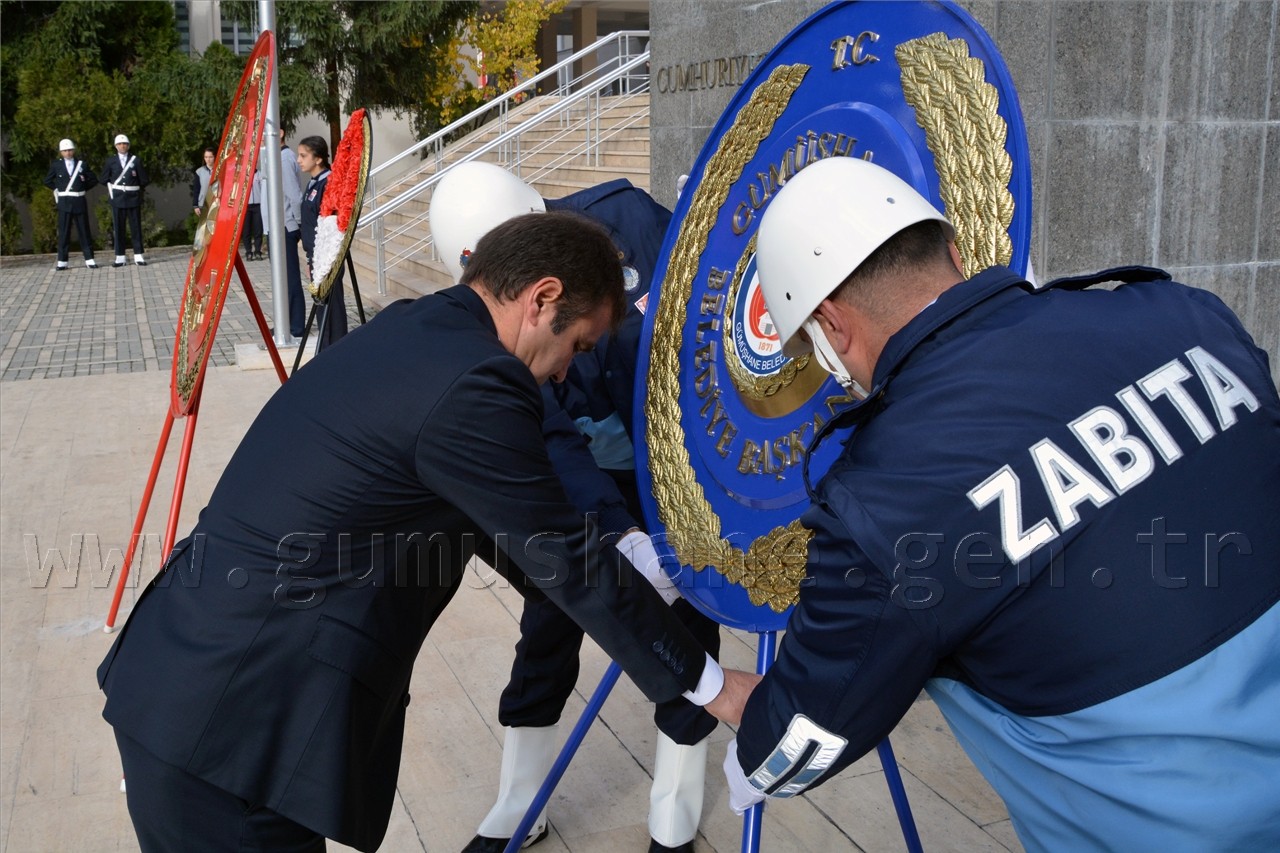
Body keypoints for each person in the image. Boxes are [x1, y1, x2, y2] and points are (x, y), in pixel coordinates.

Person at [98, 210, 757, 853]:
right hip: (234, 726)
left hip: (195, 684)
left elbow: (514, 540)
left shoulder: (417, 331)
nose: (565, 373)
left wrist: (643, 571)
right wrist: (716, 686)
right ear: (541, 298)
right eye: (576, 346)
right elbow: (568, 561)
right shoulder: (479, 383)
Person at [722, 156, 1280, 850]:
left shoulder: (882, 499)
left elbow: (797, 743)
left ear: (831, 327)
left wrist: (743, 724)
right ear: (954, 251)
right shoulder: (1184, 314)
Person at [432, 163, 723, 853]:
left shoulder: (629, 220)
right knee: (549, 620)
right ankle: (519, 804)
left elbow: (697, 330)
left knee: (684, 625)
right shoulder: (494, 318)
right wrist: (615, 535)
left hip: (674, 466)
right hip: (584, 480)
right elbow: (547, 435)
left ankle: (674, 818)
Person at [297, 135, 348, 349]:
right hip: (316, 256)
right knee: (322, 306)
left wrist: (322, 259)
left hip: (326, 256)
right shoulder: (314, 183)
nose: (299, 160)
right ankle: (328, 347)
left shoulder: (328, 183)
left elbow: (330, 225)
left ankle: (335, 349)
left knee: (331, 308)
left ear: (318, 159)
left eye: (303, 155)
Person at [42, 138, 98, 270]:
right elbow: (47, 180)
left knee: (84, 231)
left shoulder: (81, 164)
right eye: (65, 150)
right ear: (61, 152)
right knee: (64, 232)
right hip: (64, 202)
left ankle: (89, 259)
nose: (68, 153)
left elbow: (93, 180)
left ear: (73, 150)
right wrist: (58, 189)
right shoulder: (56, 165)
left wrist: (82, 188)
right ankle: (62, 261)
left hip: (79, 200)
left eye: (70, 150)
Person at [101, 133, 149, 267]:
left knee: (136, 227)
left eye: (125, 144)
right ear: (116, 146)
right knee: (118, 227)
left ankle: (138, 255)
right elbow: (103, 178)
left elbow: (144, 179)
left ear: (128, 145)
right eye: (120, 144)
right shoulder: (111, 161)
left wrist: (135, 189)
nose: (123, 146)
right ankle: (120, 257)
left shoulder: (136, 160)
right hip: (117, 199)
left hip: (133, 198)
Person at [242, 165, 264, 260]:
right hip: (246, 206)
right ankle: (248, 251)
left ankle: (258, 250)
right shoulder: (243, 175)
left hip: (258, 205)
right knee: (246, 230)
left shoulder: (259, 174)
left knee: (258, 229)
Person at [190, 147, 215, 217]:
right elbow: (196, 189)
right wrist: (195, 205)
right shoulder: (199, 172)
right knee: (203, 226)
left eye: (210, 157)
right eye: (206, 157)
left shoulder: (219, 170)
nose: (208, 159)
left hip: (216, 204)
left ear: (214, 157)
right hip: (203, 204)